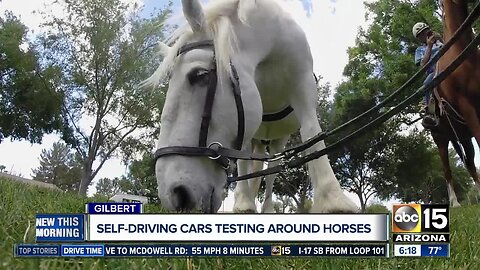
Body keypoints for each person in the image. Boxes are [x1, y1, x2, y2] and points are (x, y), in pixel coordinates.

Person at [412, 22, 443, 129]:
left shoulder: (439, 42)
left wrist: (441, 40)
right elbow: (423, 65)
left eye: (426, 31)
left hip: (448, 65)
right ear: (419, 38)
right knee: (426, 84)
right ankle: (430, 112)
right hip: (434, 72)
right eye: (422, 34)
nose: (425, 34)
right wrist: (429, 46)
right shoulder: (420, 50)